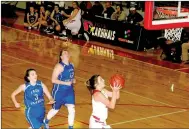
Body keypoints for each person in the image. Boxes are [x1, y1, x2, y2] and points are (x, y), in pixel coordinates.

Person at [43, 49, 76, 129]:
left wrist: (73, 80)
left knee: (72, 109)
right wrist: (66, 83)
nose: (67, 53)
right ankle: (46, 121)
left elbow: (70, 77)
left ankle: (70, 127)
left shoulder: (72, 65)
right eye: (64, 53)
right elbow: (53, 80)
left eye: (67, 52)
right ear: (61, 57)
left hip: (69, 91)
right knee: (55, 109)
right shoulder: (59, 66)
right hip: (59, 91)